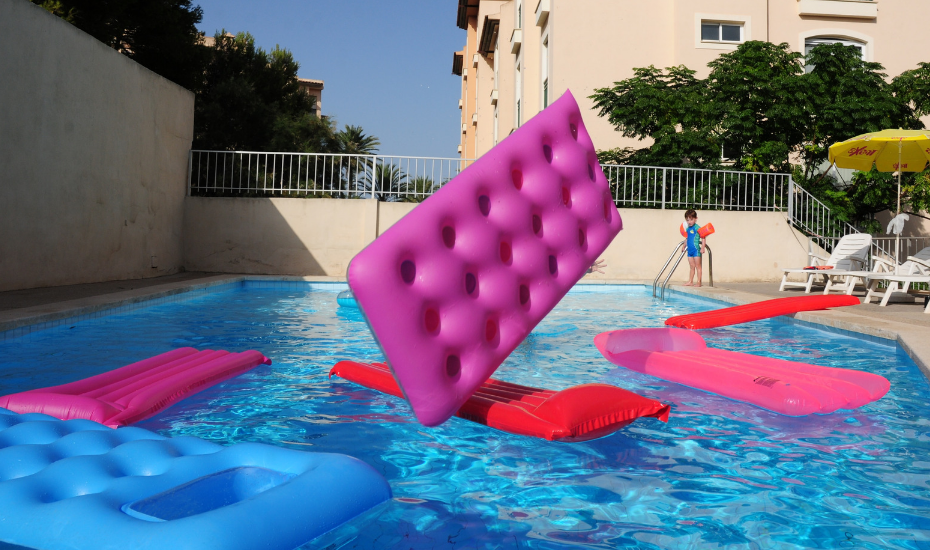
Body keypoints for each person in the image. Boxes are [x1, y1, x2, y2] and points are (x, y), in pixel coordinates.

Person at [680, 209, 706, 287]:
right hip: (689, 250)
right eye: (687, 220)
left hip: (696, 250)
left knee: (698, 266)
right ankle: (690, 281)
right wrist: (684, 246)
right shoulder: (688, 228)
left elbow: (703, 237)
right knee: (691, 266)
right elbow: (687, 238)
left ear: (696, 219)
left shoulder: (697, 228)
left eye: (691, 219)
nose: (689, 222)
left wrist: (703, 247)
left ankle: (699, 282)